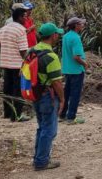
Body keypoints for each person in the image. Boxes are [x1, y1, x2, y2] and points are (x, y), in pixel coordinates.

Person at [32, 22, 65, 171]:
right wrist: (63, 99)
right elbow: (57, 82)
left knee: (42, 127)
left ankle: (38, 158)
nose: (58, 35)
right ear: (53, 36)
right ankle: (41, 162)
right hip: (48, 96)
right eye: (57, 33)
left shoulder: (31, 51)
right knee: (49, 129)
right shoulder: (51, 57)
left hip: (36, 94)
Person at [0, 6, 31, 122]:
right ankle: (16, 115)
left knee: (7, 89)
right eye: (25, 16)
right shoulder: (21, 30)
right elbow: (23, 51)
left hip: (6, 63)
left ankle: (7, 113)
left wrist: (4, 46)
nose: (26, 18)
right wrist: (29, 61)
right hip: (17, 65)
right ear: (20, 17)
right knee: (17, 91)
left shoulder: (6, 27)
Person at [60, 17, 88, 123]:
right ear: (76, 26)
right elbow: (76, 56)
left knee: (66, 92)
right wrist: (85, 64)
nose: (83, 26)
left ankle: (62, 114)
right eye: (81, 24)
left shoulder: (66, 36)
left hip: (67, 69)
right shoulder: (76, 38)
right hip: (76, 70)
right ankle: (71, 117)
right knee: (75, 94)